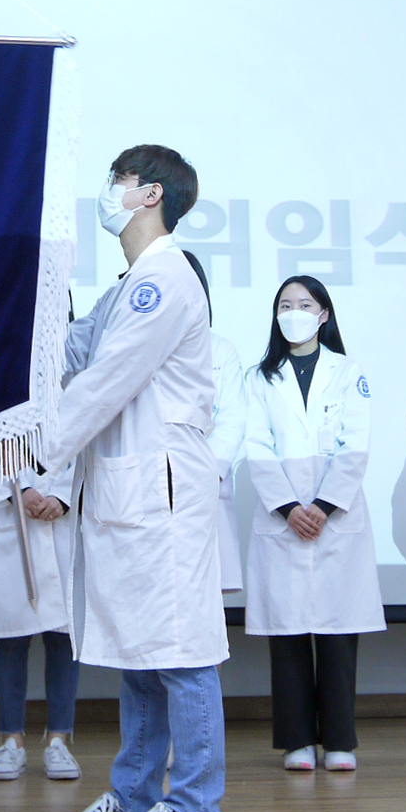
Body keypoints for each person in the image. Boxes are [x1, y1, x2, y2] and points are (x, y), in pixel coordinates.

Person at [36, 145, 232, 812]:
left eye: (115, 179)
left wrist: (36, 450)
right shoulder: (128, 285)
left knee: (180, 650)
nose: (107, 191)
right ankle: (136, 794)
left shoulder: (164, 280)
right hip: (132, 495)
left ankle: (199, 809)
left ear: (150, 194)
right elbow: (72, 354)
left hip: (164, 496)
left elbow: (106, 380)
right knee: (139, 651)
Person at [241, 276, 384, 772]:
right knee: (288, 635)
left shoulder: (348, 372)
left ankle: (340, 740)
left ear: (324, 315)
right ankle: (297, 740)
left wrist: (322, 506)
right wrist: (288, 508)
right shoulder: (258, 377)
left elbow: (355, 445)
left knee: (338, 634)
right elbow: (256, 447)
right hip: (283, 520)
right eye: (285, 304)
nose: (294, 312)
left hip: (334, 519)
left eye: (304, 304)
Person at [0, 407, 82, 782]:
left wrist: (63, 497)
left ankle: (59, 741)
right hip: (11, 523)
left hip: (61, 523)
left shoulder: (74, 390)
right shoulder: (0, 394)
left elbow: (85, 447)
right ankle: (11, 742)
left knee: (63, 639)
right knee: (11, 637)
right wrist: (19, 491)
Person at [181, 249, 247, 597]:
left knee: (204, 599)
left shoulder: (221, 350)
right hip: (152, 483)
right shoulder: (137, 343)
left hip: (206, 482)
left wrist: (207, 472)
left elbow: (232, 417)